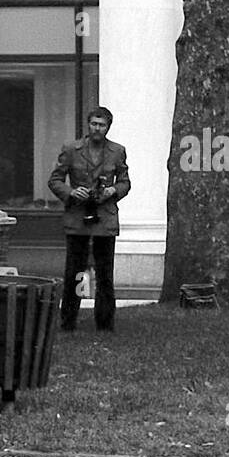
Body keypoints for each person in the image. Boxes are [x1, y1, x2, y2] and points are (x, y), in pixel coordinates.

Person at [49, 107, 131, 332]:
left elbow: (125, 182)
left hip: (104, 218)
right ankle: (69, 321)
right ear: (88, 124)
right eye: (94, 124)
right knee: (75, 272)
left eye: (102, 125)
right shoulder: (71, 149)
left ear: (108, 127)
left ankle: (105, 323)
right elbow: (55, 180)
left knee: (105, 273)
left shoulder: (117, 151)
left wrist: (112, 190)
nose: (97, 128)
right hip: (78, 218)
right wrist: (71, 192)